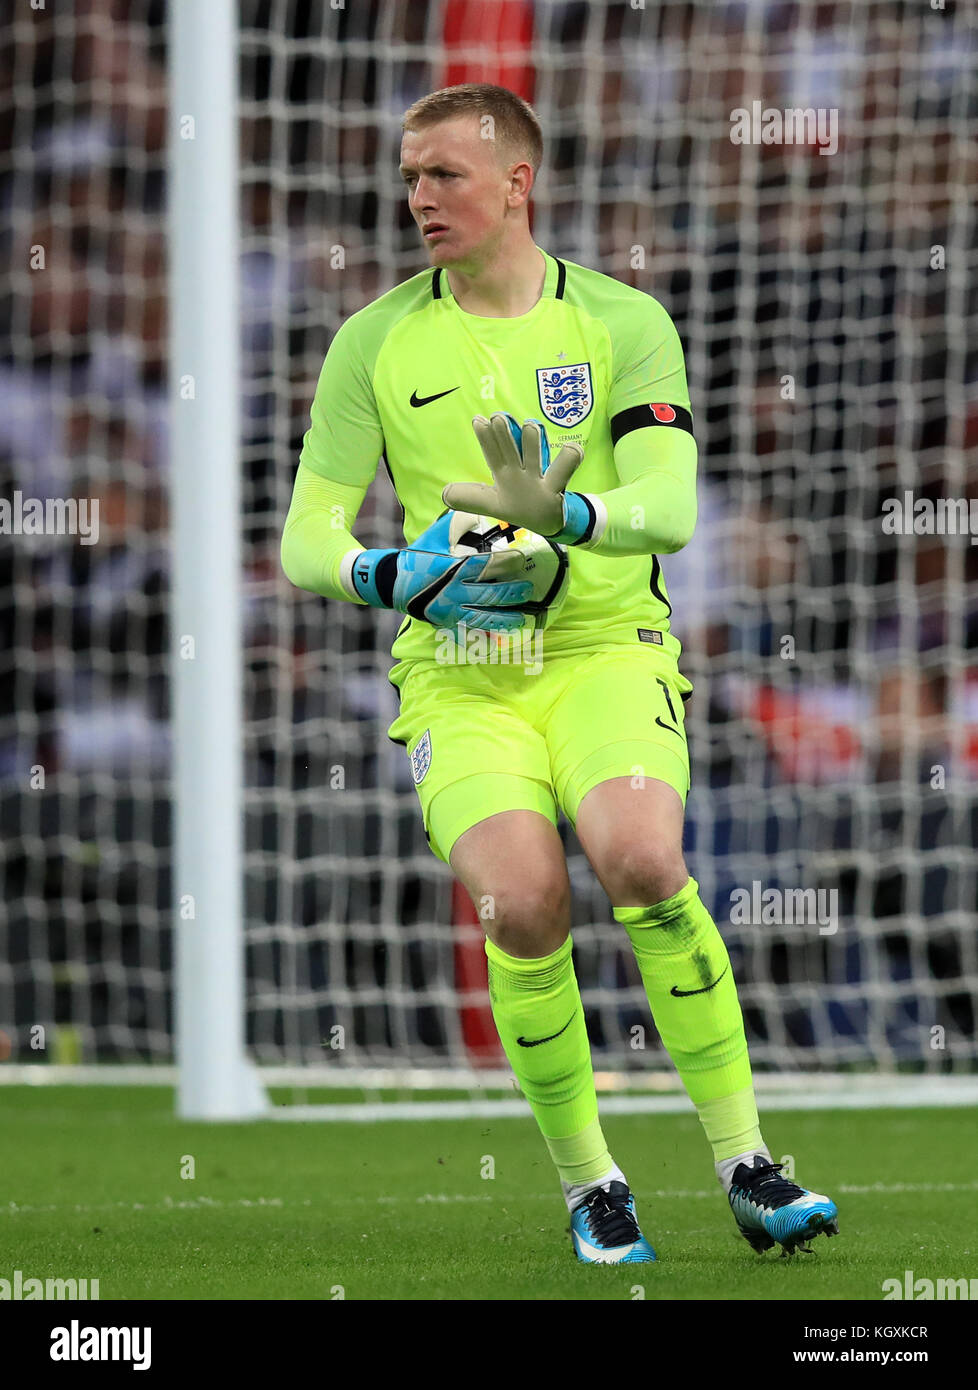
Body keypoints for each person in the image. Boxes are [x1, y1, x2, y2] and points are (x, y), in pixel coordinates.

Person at [281, 83, 838, 1264]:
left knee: (640, 854)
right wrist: (391, 572)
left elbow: (672, 506)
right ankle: (594, 1185)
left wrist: (564, 512)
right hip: (463, 664)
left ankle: (749, 1163)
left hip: (599, 649)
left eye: (443, 174)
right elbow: (305, 537)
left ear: (516, 182)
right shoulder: (373, 342)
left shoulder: (623, 321)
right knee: (522, 900)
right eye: (408, 176)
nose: (418, 197)